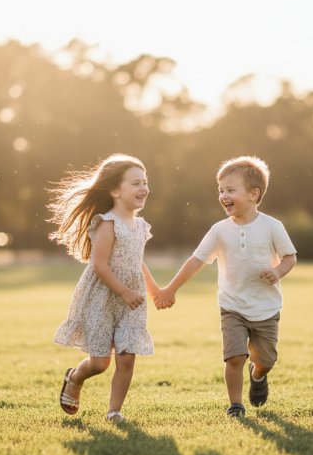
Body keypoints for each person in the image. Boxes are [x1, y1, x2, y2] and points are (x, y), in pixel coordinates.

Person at [155, 156, 296, 417]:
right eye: (221, 190)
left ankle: (258, 376)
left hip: (266, 307)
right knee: (234, 357)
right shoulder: (219, 230)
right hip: (232, 306)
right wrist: (171, 288)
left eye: (231, 190)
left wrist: (277, 271)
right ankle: (235, 405)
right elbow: (196, 261)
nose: (223, 196)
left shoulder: (272, 226)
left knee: (265, 361)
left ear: (254, 194)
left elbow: (290, 257)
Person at [50, 154, 161, 423]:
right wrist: (123, 291)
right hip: (102, 296)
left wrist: (154, 290)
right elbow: (99, 265)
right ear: (114, 190)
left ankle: (114, 412)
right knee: (100, 363)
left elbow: (137, 262)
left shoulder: (141, 226)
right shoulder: (107, 223)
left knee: (126, 357)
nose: (143, 188)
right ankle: (74, 378)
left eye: (145, 182)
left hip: (132, 301)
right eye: (135, 183)